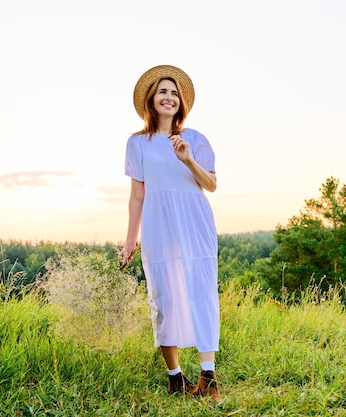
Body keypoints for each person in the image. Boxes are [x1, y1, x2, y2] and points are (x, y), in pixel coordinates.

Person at [119, 65, 222, 401]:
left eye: (174, 92)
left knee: (201, 290)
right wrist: (129, 239)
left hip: (194, 220)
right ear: (151, 99)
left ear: (181, 102)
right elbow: (137, 196)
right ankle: (175, 377)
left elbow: (211, 184)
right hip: (158, 223)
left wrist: (188, 159)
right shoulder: (138, 143)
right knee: (165, 295)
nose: (169, 97)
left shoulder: (195, 139)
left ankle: (208, 377)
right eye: (163, 91)